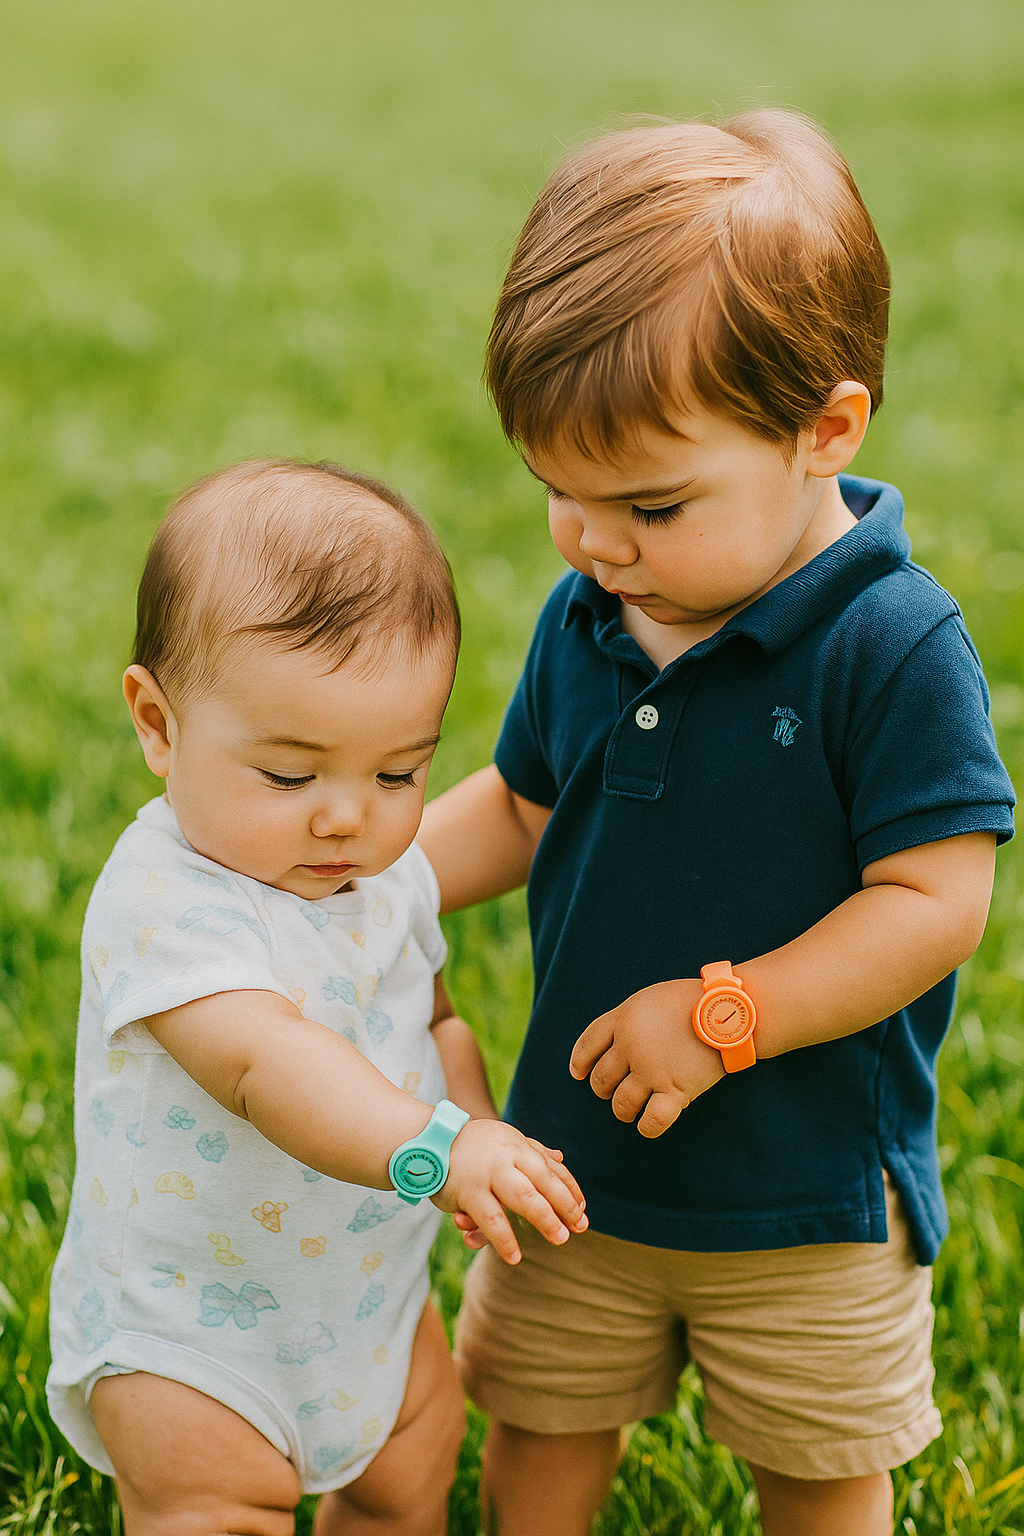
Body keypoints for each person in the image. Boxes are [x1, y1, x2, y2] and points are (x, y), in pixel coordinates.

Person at [418, 110, 1016, 1536]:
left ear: (826, 431)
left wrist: (727, 1014)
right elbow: (517, 805)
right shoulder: (596, 612)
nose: (594, 542)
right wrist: (364, 875)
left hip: (805, 1198)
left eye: (649, 502)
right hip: (573, 1171)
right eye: (559, 494)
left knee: (818, 1476)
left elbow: (937, 901)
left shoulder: (891, 643)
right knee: (540, 1438)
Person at [46, 458, 587, 1536]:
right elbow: (265, 1065)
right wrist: (433, 1148)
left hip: (366, 1309)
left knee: (404, 1487)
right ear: (158, 723)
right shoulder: (166, 901)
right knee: (213, 1511)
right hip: (191, 1336)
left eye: (397, 775)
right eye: (291, 777)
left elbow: (431, 1016)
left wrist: (474, 1121)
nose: (347, 818)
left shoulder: (383, 878)